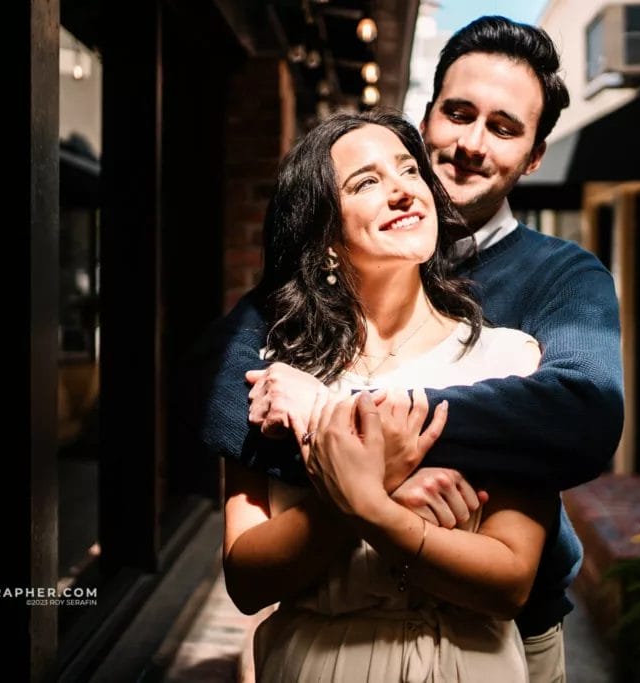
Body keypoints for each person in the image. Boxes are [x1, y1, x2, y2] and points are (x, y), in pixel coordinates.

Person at [198, 16, 623, 682]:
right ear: (426, 116)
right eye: (457, 113)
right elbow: (228, 396)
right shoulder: (299, 313)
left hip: (500, 632)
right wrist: (373, 474)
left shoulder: (559, 282)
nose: (471, 143)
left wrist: (344, 423)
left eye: (505, 127)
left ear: (535, 155)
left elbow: (579, 418)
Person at [224, 108, 555, 681]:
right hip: (319, 664)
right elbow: (246, 582)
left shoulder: (509, 360)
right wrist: (377, 486)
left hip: (468, 663)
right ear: (325, 237)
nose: (403, 190)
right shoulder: (274, 379)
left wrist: (370, 501)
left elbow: (511, 582)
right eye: (367, 182)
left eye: (409, 170)